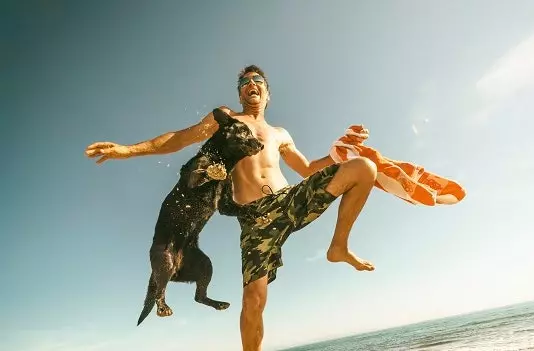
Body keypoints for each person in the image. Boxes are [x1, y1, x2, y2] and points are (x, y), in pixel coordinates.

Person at [85, 65, 377, 350]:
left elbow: (308, 169)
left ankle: (338, 247)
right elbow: (180, 138)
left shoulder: (280, 134)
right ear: (240, 94)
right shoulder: (227, 119)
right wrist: (128, 150)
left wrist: (338, 152)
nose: (252, 83)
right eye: (245, 82)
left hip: (288, 199)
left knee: (363, 168)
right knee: (253, 300)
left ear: (266, 93)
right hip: (255, 218)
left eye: (258, 79)